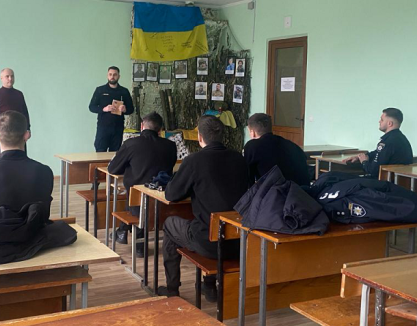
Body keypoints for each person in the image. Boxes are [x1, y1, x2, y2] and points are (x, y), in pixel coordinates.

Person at [159, 116, 249, 302]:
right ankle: (209, 286)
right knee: (211, 221)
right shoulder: (239, 159)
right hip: (239, 241)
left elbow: (171, 195)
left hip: (208, 243)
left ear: (199, 137)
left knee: (170, 224)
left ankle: (172, 289)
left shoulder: (194, 161)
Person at [108, 112, 177, 247]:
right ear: (160, 130)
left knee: (135, 189)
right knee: (141, 190)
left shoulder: (131, 144)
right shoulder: (170, 146)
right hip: (161, 199)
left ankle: (125, 232)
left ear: (141, 126)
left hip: (137, 202)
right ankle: (125, 234)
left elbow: (113, 169)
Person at [243, 113, 310, 186]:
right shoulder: (292, 145)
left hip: (277, 191)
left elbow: (248, 179)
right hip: (302, 191)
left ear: (252, 132)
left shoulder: (252, 146)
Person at [345, 108, 413, 178]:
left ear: (389, 123)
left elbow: (372, 170)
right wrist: (361, 156)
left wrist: (364, 162)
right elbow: (377, 153)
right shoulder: (400, 138)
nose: (379, 121)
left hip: (381, 182)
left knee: (341, 179)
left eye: (382, 120)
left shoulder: (388, 142)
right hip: (393, 180)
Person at [88, 66, 134, 152]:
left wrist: (125, 109)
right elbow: (91, 107)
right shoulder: (100, 90)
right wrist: (104, 109)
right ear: (107, 76)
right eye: (110, 74)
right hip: (103, 128)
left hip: (118, 128)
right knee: (100, 153)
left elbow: (131, 109)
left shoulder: (124, 91)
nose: (112, 77)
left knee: (115, 154)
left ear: (119, 76)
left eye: (115, 75)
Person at [0, 68, 29, 154]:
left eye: (12, 76)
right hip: (3, 133)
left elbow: (25, 113)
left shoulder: (19, 94)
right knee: (5, 157)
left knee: (21, 157)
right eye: (7, 76)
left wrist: (28, 129)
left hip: (19, 132)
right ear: (1, 78)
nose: (10, 79)